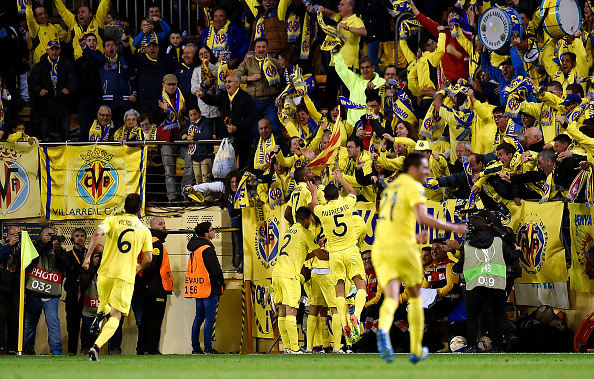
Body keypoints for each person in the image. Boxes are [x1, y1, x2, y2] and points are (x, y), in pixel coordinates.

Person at [372, 152, 466, 364]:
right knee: (415, 296)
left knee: (392, 295)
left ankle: (383, 331)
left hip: (382, 248)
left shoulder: (390, 189)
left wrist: (415, 236)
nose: (427, 171)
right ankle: (415, 349)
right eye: (424, 167)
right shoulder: (412, 187)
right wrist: (453, 227)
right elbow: (423, 217)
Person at [82, 193, 153, 361]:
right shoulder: (144, 230)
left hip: (105, 273)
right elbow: (148, 258)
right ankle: (96, 347)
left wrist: (87, 257)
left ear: (124, 207)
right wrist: (138, 269)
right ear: (139, 210)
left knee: (104, 303)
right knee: (116, 315)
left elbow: (97, 234)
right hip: (125, 276)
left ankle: (100, 314)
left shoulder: (112, 220)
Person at [308, 171, 367, 351]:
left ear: (326, 197)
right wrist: (341, 179)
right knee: (360, 285)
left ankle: (343, 322)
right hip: (350, 250)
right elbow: (354, 193)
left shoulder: (323, 210)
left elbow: (313, 206)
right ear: (338, 195)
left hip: (334, 254)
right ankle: (355, 315)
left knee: (339, 290)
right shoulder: (346, 204)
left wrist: (312, 192)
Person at [273, 206, 326, 353]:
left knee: (282, 311)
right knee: (292, 311)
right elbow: (321, 256)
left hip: (277, 273)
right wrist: (333, 255)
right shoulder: (306, 233)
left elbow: (301, 254)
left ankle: (288, 348)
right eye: (310, 219)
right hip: (290, 275)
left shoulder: (288, 231)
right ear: (307, 220)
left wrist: (314, 251)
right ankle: (295, 348)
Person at [196, 73, 257, 170]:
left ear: (237, 84)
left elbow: (252, 118)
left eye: (229, 82)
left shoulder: (246, 98)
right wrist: (203, 96)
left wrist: (237, 127)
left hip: (243, 138)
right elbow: (213, 100)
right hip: (227, 138)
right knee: (227, 166)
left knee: (244, 166)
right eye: (226, 82)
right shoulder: (223, 96)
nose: (227, 84)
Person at [24, 228, 68, 355]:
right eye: (48, 235)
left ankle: (56, 350)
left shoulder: (59, 250)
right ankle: (27, 349)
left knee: (53, 322)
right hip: (34, 293)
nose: (51, 237)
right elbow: (30, 258)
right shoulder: (34, 247)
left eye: (53, 235)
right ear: (41, 236)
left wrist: (58, 249)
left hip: (52, 294)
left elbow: (65, 265)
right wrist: (43, 244)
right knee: (29, 323)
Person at [185, 221, 225, 354]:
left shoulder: (194, 248)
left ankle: (196, 347)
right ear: (206, 234)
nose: (214, 231)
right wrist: (221, 282)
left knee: (198, 318)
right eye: (212, 230)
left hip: (198, 287)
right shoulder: (207, 249)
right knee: (210, 319)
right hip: (209, 287)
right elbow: (215, 269)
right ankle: (208, 347)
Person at [28, 40, 78, 141]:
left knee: (65, 136)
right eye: (52, 50)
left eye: (56, 49)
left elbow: (74, 80)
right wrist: (39, 90)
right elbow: (32, 82)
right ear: (47, 50)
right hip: (46, 105)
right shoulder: (40, 65)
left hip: (63, 104)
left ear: (60, 50)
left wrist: (69, 89)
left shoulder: (67, 64)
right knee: (45, 135)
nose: (54, 52)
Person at [137, 217, 173, 355]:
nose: (164, 226)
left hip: (148, 288)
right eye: (160, 224)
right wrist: (144, 284)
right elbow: (152, 266)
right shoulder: (155, 243)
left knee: (146, 320)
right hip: (156, 288)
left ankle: (142, 349)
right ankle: (151, 349)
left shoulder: (146, 242)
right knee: (154, 320)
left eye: (164, 223)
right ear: (153, 226)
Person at [82, 36, 136, 126]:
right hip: (109, 101)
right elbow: (92, 55)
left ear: (116, 47)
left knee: (130, 125)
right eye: (108, 45)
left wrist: (134, 93)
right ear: (104, 49)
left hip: (126, 100)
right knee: (110, 127)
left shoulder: (124, 60)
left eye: (112, 45)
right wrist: (84, 46)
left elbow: (133, 79)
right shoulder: (102, 61)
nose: (110, 47)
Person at [235, 37, 283, 137]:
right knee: (255, 130)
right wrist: (248, 78)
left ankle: (279, 150)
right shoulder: (248, 62)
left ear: (268, 48)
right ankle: (257, 151)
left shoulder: (274, 62)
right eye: (259, 47)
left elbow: (284, 78)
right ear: (255, 49)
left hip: (271, 100)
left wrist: (275, 79)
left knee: (274, 127)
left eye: (264, 47)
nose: (261, 49)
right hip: (254, 101)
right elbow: (236, 76)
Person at [64, 228, 87, 355]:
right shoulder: (67, 255)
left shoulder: (89, 254)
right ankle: (72, 352)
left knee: (87, 325)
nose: (80, 238)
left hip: (87, 295)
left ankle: (85, 349)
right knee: (72, 327)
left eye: (82, 236)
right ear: (73, 238)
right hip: (72, 295)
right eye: (77, 236)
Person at [0, 226, 21, 355]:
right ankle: (2, 346)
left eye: (19, 234)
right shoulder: (2, 244)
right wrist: (9, 245)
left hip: (15, 286)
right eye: (14, 234)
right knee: (1, 318)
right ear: (8, 235)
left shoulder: (22, 247)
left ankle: (14, 346)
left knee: (15, 317)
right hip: (1, 287)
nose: (17, 237)